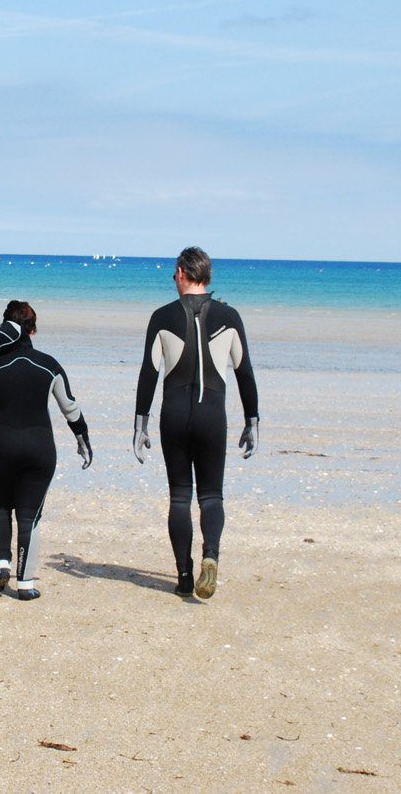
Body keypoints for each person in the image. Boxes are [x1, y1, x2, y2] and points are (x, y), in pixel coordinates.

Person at [133, 247, 259, 600]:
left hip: (173, 416)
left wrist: (140, 422)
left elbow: (149, 373)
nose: (173, 279)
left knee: (179, 497)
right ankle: (210, 556)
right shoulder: (230, 316)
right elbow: (244, 372)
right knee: (211, 495)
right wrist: (252, 419)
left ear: (182, 273)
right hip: (211, 415)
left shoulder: (161, 317)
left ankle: (185, 576)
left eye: (174, 274)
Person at [0, 301, 92, 601]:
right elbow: (70, 407)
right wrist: (83, 440)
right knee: (29, 516)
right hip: (39, 448)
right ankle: (26, 583)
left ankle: (1, 566)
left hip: (0, 447)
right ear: (32, 330)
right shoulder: (49, 364)